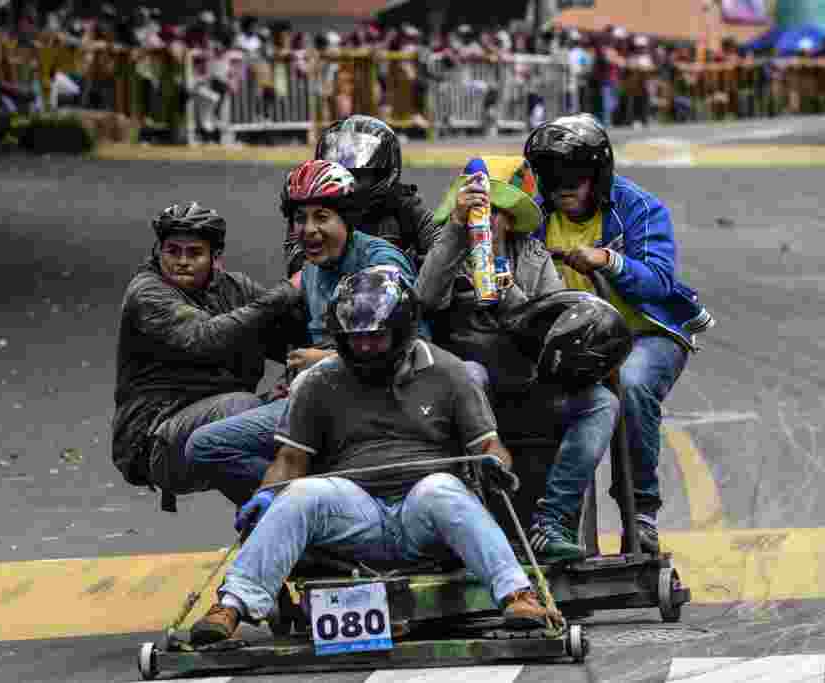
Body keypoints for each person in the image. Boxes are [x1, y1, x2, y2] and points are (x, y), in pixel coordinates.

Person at [189, 266, 557, 646]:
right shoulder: (318, 381)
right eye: (354, 338)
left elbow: (487, 447)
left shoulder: (448, 372)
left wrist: (497, 466)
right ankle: (231, 606)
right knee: (300, 494)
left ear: (401, 331)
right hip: (357, 517)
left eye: (375, 337)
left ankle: (518, 596)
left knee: (440, 488)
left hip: (425, 516)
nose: (363, 347)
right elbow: (290, 461)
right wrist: (266, 496)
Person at [416, 156, 629, 561]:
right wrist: (458, 234)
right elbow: (424, 298)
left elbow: (555, 330)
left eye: (492, 212)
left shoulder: (533, 257)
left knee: (603, 402)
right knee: (469, 374)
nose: (485, 220)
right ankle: (469, 519)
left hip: (529, 382)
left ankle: (553, 521)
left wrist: (510, 294)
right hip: (465, 391)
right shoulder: (447, 246)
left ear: (509, 219)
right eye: (478, 210)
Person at [524, 114, 716, 554]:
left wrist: (609, 261)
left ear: (598, 175)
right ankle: (547, 528)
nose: (562, 186)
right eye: (551, 176)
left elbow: (658, 283)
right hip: (566, 343)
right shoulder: (531, 215)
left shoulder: (640, 208)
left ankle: (642, 514)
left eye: (573, 176)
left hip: (645, 335)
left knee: (629, 385)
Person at [183, 159, 424, 505]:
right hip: (323, 395)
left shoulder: (380, 265)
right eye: (300, 218)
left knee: (208, 445)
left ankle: (311, 508)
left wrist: (324, 360)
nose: (308, 229)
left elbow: (411, 350)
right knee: (202, 446)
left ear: (349, 219)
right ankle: (308, 513)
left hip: (376, 401)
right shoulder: (313, 267)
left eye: (321, 217)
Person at [111, 201, 302, 512]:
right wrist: (284, 292)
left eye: (194, 253)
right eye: (173, 251)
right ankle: (290, 510)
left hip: (220, 420)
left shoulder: (235, 289)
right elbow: (205, 337)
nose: (182, 262)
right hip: (156, 439)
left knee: (301, 409)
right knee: (242, 410)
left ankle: (278, 516)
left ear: (216, 258)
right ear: (159, 252)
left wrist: (295, 375)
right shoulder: (147, 293)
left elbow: (291, 339)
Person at [283, 115, 439, 277]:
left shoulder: (404, 203)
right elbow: (297, 264)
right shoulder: (308, 206)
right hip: (328, 294)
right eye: (338, 176)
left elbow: (439, 246)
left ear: (382, 173)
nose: (347, 184)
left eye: (357, 176)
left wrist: (414, 263)